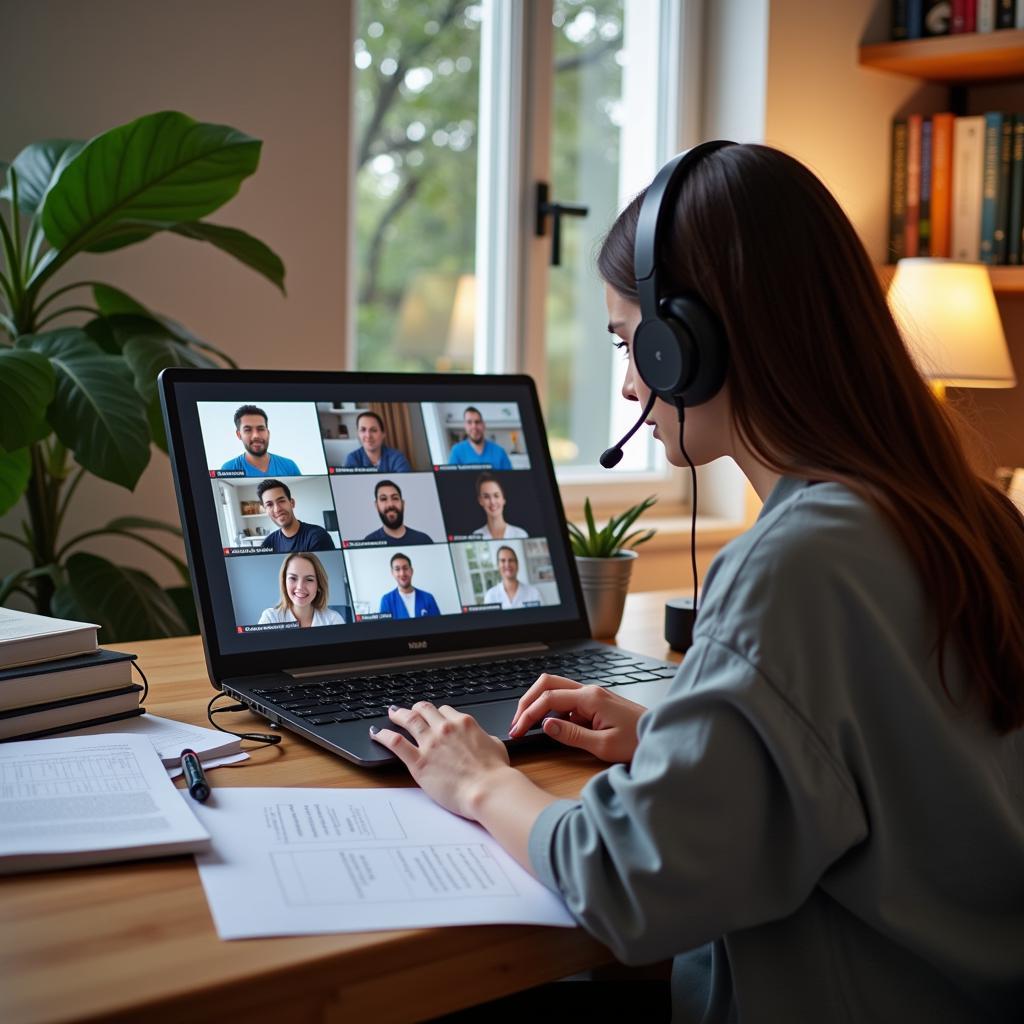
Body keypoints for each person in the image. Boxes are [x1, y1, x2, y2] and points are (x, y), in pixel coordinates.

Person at [368, 143, 1024, 1022]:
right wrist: (675, 737)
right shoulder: (970, 514)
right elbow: (896, 773)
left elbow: (630, 882)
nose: (633, 379)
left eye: (627, 342)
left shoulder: (799, 560)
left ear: (686, 345)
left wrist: (479, 780)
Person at [258, 552, 345, 627]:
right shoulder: (270, 618)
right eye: (293, 578)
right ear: (284, 582)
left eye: (309, 579)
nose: (300, 586)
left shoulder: (334, 620)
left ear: (319, 584)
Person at [220, 405, 301, 477]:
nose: (256, 436)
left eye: (261, 429)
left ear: (268, 433)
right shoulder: (228, 469)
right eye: (248, 430)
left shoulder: (290, 467)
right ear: (239, 435)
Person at [257, 479, 334, 552]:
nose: (277, 509)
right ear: (266, 511)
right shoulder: (267, 544)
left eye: (281, 501)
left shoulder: (317, 536)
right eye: (269, 505)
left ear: (292, 503)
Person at [362, 479, 433, 546]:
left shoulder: (423, 540)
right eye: (383, 499)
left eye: (395, 498)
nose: (390, 504)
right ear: (376, 506)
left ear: (403, 504)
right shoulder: (369, 542)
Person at [343, 411, 413, 472]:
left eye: (373, 430)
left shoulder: (397, 458)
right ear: (358, 434)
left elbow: (405, 485)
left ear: (383, 434)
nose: (368, 435)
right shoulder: (352, 459)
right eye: (363, 430)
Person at [378, 553, 442, 619]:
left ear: (411, 571)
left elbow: (438, 626)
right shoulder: (386, 600)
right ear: (392, 573)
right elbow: (385, 628)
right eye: (397, 569)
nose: (402, 573)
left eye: (405, 568)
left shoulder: (428, 598)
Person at [448, 407, 513, 469]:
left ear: (484, 425)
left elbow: (510, 478)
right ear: (465, 426)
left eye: (477, 422)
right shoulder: (456, 451)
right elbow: (451, 478)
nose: (474, 427)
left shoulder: (499, 452)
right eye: (469, 422)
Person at [470, 473, 528, 540]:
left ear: (503, 499)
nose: (492, 502)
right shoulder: (476, 536)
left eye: (496, 496)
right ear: (480, 501)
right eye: (486, 497)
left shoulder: (520, 534)